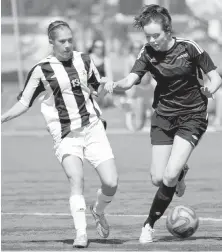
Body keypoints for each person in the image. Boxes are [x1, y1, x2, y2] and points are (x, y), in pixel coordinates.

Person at [103, 5, 222, 243]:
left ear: (167, 31)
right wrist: (115, 84)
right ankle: (180, 173)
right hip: (163, 116)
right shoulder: (146, 52)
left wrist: (210, 90)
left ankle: (149, 224)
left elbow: (216, 77)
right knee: (157, 178)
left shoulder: (189, 47)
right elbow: (131, 80)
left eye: (155, 35)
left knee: (168, 177)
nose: (151, 40)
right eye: (147, 36)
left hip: (193, 116)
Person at [1, 20, 118, 248]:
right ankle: (81, 233)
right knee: (77, 179)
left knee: (111, 182)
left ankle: (98, 210)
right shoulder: (41, 70)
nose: (67, 45)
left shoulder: (84, 60)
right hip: (65, 133)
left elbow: (97, 92)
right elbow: (24, 102)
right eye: (62, 41)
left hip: (93, 127)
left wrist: (106, 86)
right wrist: (2, 118)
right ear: (51, 42)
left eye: (70, 40)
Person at [88, 39, 113, 108]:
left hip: (102, 88)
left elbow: (109, 77)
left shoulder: (106, 60)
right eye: (97, 47)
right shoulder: (88, 59)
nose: (99, 49)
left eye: (101, 47)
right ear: (93, 47)